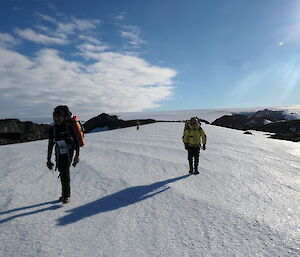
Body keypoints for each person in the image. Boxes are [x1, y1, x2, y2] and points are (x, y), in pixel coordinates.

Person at [46, 106, 80, 204]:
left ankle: (66, 196)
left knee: (65, 171)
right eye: (55, 117)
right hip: (59, 152)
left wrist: (77, 155)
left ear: (62, 117)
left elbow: (77, 142)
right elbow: (50, 145)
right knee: (62, 171)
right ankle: (64, 194)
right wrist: (48, 159)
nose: (57, 119)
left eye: (59, 117)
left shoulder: (68, 126)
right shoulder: (53, 129)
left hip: (69, 151)